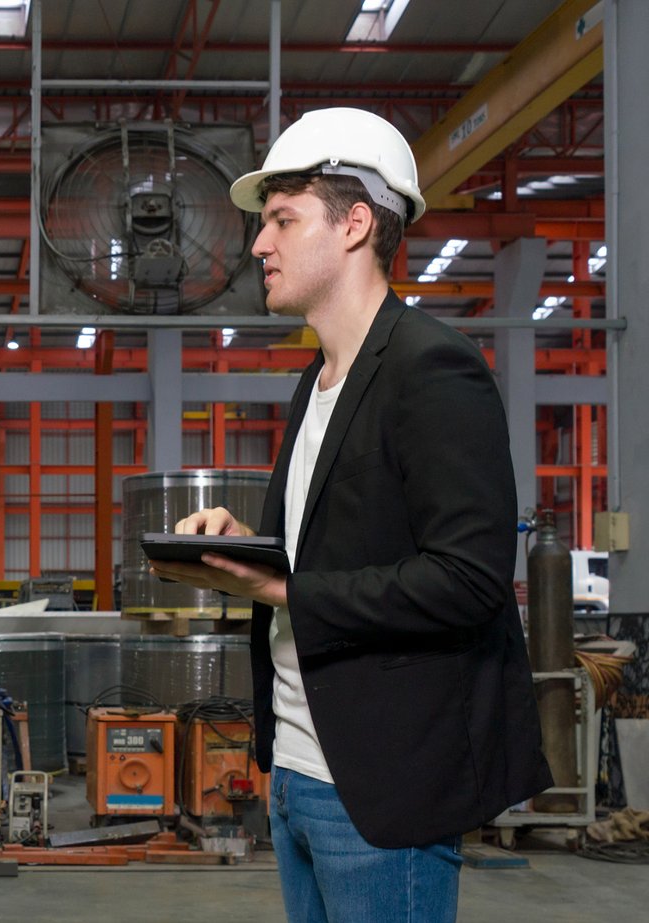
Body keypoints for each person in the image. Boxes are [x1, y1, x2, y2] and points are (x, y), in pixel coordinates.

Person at [149, 107, 550, 922]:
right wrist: (254, 550)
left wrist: (287, 592)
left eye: (283, 221)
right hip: (299, 769)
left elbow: (470, 580)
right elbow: (334, 548)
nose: (260, 245)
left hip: (380, 787)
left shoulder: (433, 368)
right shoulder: (317, 383)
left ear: (356, 224)